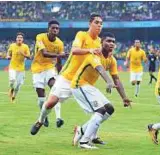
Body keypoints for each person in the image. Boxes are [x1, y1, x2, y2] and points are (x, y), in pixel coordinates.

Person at [30, 14, 103, 144]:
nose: (99, 25)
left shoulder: (99, 42)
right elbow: (74, 50)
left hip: (82, 80)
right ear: (90, 24)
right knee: (51, 102)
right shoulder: (81, 35)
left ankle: (88, 134)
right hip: (67, 77)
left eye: (101, 23)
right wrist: (90, 50)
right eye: (96, 22)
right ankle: (40, 120)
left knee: (98, 108)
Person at [71, 32, 132, 149]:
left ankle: (82, 130)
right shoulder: (94, 55)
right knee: (100, 110)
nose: (111, 44)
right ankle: (84, 142)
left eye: (113, 42)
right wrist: (108, 82)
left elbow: (117, 79)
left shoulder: (111, 59)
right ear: (101, 42)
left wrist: (124, 97)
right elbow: (100, 70)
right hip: (79, 85)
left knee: (109, 109)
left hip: (89, 86)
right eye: (108, 41)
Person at [31, 20, 67, 128]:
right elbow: (44, 53)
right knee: (41, 96)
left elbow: (59, 61)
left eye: (57, 28)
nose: (55, 30)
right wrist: (60, 55)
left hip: (50, 68)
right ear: (48, 29)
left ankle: (58, 118)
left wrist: (60, 74)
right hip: (37, 68)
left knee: (55, 88)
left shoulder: (60, 43)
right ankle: (44, 116)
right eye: (53, 28)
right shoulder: (40, 37)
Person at [7, 32, 31, 103]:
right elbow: (9, 52)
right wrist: (8, 56)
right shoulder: (12, 46)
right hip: (12, 66)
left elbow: (29, 56)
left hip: (21, 69)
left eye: (21, 38)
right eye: (18, 37)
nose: (19, 39)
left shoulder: (25, 47)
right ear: (16, 39)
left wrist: (23, 53)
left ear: (22, 39)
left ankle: (14, 96)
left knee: (18, 85)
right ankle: (11, 89)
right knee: (12, 80)